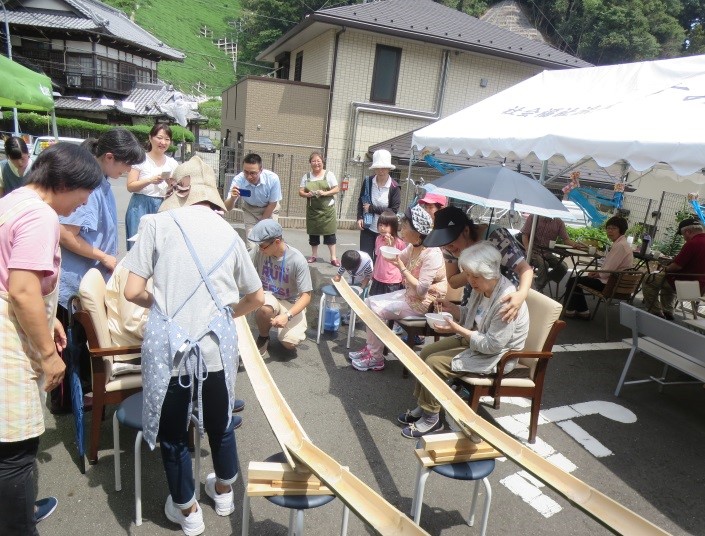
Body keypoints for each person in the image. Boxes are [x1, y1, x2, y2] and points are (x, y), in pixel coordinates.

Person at [123, 155, 264, 536]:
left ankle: (187, 513)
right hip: (216, 351)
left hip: (171, 353)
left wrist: (163, 305)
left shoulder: (156, 224)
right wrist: (223, 315)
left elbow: (131, 290)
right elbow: (256, 297)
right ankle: (222, 493)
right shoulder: (229, 234)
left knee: (174, 437)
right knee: (220, 427)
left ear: (178, 191)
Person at [0, 143, 103, 536]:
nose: (83, 204)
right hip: (8, 341)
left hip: (18, 321)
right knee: (16, 452)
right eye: (84, 193)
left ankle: (19, 514)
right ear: (63, 182)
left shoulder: (13, 201)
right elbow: (23, 291)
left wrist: (49, 321)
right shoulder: (41, 215)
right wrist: (47, 354)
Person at [397, 242, 530, 438]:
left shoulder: (506, 301)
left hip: (497, 356)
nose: (470, 280)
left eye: (474, 276)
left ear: (490, 272)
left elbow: (492, 345)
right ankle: (424, 406)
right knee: (425, 353)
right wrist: (453, 308)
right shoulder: (483, 288)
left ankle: (431, 419)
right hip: (476, 341)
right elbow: (474, 315)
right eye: (468, 274)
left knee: (434, 363)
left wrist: (456, 328)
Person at [349, 205, 447, 372]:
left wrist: (402, 267)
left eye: (405, 224)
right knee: (368, 301)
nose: (401, 226)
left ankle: (376, 358)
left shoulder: (432, 253)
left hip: (422, 304)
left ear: (417, 230)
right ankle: (372, 347)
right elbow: (397, 258)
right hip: (408, 295)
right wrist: (390, 247)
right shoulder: (413, 246)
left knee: (376, 309)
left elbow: (422, 290)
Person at [424, 206, 533, 322]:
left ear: (466, 231)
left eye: (450, 244)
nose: (447, 248)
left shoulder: (496, 237)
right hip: (475, 294)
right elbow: (453, 282)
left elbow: (525, 269)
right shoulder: (448, 246)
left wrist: (521, 294)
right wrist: (474, 270)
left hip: (503, 295)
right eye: (444, 245)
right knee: (468, 324)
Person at [248, 219, 313, 356]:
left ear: (277, 242)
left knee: (289, 344)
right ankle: (264, 336)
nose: (260, 249)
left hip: (291, 302)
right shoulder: (259, 251)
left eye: (263, 246)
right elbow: (243, 265)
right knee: (265, 309)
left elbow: (306, 296)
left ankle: (284, 329)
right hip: (269, 296)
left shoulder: (297, 260)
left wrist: (287, 316)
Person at [563, 216, 633, 318]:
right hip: (617, 283)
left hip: (610, 285)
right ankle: (582, 311)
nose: (610, 231)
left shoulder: (620, 246)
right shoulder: (623, 244)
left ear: (621, 230)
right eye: (608, 228)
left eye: (613, 228)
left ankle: (573, 311)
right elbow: (609, 270)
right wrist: (598, 273)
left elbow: (607, 271)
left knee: (574, 280)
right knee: (577, 279)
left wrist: (597, 274)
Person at [124, 123, 178, 249]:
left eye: (167, 139)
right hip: (140, 205)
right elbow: (130, 186)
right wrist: (150, 180)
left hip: (163, 206)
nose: (163, 142)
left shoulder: (172, 163)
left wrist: (171, 183)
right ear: (150, 138)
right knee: (137, 246)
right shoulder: (140, 159)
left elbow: (175, 188)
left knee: (159, 247)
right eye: (159, 137)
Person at [642, 217, 705, 320]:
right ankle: (668, 311)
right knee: (667, 282)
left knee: (648, 279)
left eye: (683, 235)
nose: (684, 238)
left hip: (684, 285)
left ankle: (656, 312)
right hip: (700, 288)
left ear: (688, 232)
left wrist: (666, 268)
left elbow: (676, 266)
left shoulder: (692, 244)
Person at [224, 153, 282, 249]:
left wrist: (261, 224)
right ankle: (253, 263)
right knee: (252, 244)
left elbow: (272, 204)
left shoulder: (272, 179)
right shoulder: (238, 180)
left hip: (269, 209)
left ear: (261, 170)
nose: (249, 176)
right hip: (250, 210)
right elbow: (227, 207)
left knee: (270, 242)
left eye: (253, 173)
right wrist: (232, 199)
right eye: (246, 172)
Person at [356, 149, 401, 259]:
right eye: (378, 167)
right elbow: (361, 201)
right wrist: (359, 217)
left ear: (389, 168)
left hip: (385, 231)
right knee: (365, 259)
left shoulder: (395, 187)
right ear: (374, 168)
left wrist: (372, 208)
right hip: (367, 227)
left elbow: (393, 211)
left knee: (381, 260)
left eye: (384, 167)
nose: (381, 170)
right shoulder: (368, 181)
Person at [298, 151, 340, 266]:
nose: (316, 163)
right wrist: (307, 194)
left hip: (327, 211)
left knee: (330, 234)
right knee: (313, 234)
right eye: (313, 161)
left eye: (318, 161)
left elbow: (336, 189)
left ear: (322, 162)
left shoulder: (329, 175)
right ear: (310, 163)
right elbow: (300, 191)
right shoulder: (306, 177)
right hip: (313, 211)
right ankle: (314, 255)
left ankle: (333, 257)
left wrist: (325, 193)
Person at [520, 214, 582, 290]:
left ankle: (543, 281)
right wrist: (528, 249)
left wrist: (575, 245)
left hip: (547, 253)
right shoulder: (534, 217)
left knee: (563, 267)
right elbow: (525, 235)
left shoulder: (558, 222)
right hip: (533, 251)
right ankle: (537, 289)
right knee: (544, 265)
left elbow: (566, 240)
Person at [369, 209, 406, 296]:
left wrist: (391, 246)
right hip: (378, 277)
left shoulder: (400, 243)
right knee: (375, 302)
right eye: (380, 225)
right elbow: (378, 257)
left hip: (393, 280)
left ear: (393, 227)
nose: (382, 228)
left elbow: (404, 261)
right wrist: (373, 272)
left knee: (389, 305)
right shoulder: (378, 239)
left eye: (386, 225)